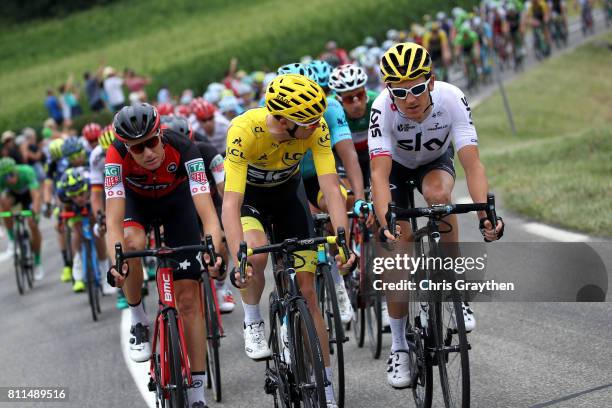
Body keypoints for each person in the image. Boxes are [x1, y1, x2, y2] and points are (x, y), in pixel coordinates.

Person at [369, 42, 504, 388]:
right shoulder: (381, 109)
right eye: (400, 92)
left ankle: (453, 281)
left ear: (431, 81)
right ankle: (398, 346)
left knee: (439, 196)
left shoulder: (451, 98)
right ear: (389, 90)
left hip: (434, 164)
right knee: (398, 254)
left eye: (416, 87)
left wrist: (486, 214)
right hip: (395, 172)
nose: (410, 98)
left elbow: (472, 163)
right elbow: (380, 175)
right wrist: (386, 222)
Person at [222, 74, 355, 408]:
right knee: (255, 255)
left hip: (288, 198)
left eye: (317, 119)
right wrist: (238, 257)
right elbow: (230, 202)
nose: (315, 125)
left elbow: (328, 185)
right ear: (281, 119)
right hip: (250, 201)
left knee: (308, 293)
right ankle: (252, 316)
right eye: (307, 121)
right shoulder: (244, 130)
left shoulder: (315, 128)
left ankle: (324, 385)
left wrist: (342, 239)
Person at [105, 103, 223, 408]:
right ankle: (138, 320)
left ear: (161, 133)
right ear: (126, 147)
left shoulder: (184, 147)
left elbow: (208, 212)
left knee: (188, 299)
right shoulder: (115, 156)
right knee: (130, 244)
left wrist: (213, 249)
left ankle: (197, 393)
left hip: (177, 203)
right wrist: (115, 263)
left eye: (151, 142)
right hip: (137, 204)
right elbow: (113, 220)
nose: (147, 153)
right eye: (137, 148)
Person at [0, 158, 44, 280]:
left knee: (32, 224)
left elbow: (35, 195)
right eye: (5, 177)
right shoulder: (2, 178)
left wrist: (34, 212)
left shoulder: (26, 171)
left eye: (11, 174)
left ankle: (37, 261)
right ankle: (12, 239)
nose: (9, 179)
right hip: (14, 195)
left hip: (29, 196)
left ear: (16, 170)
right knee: (4, 201)